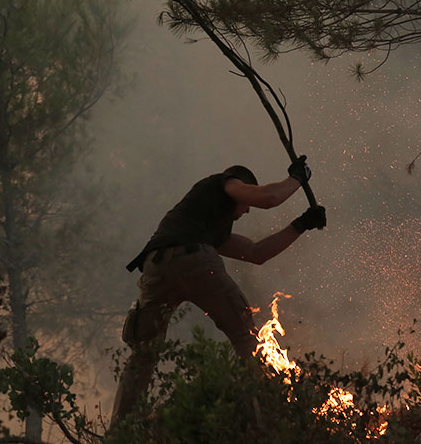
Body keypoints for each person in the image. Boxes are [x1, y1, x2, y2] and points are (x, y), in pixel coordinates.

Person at [112, 157, 326, 425]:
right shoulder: (224, 183)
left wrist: (301, 224)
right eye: (246, 203)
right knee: (246, 336)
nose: (247, 211)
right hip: (193, 258)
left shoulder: (203, 224)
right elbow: (269, 197)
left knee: (144, 353)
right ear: (240, 187)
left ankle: (118, 430)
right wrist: (298, 178)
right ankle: (273, 415)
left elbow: (255, 253)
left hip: (156, 268)